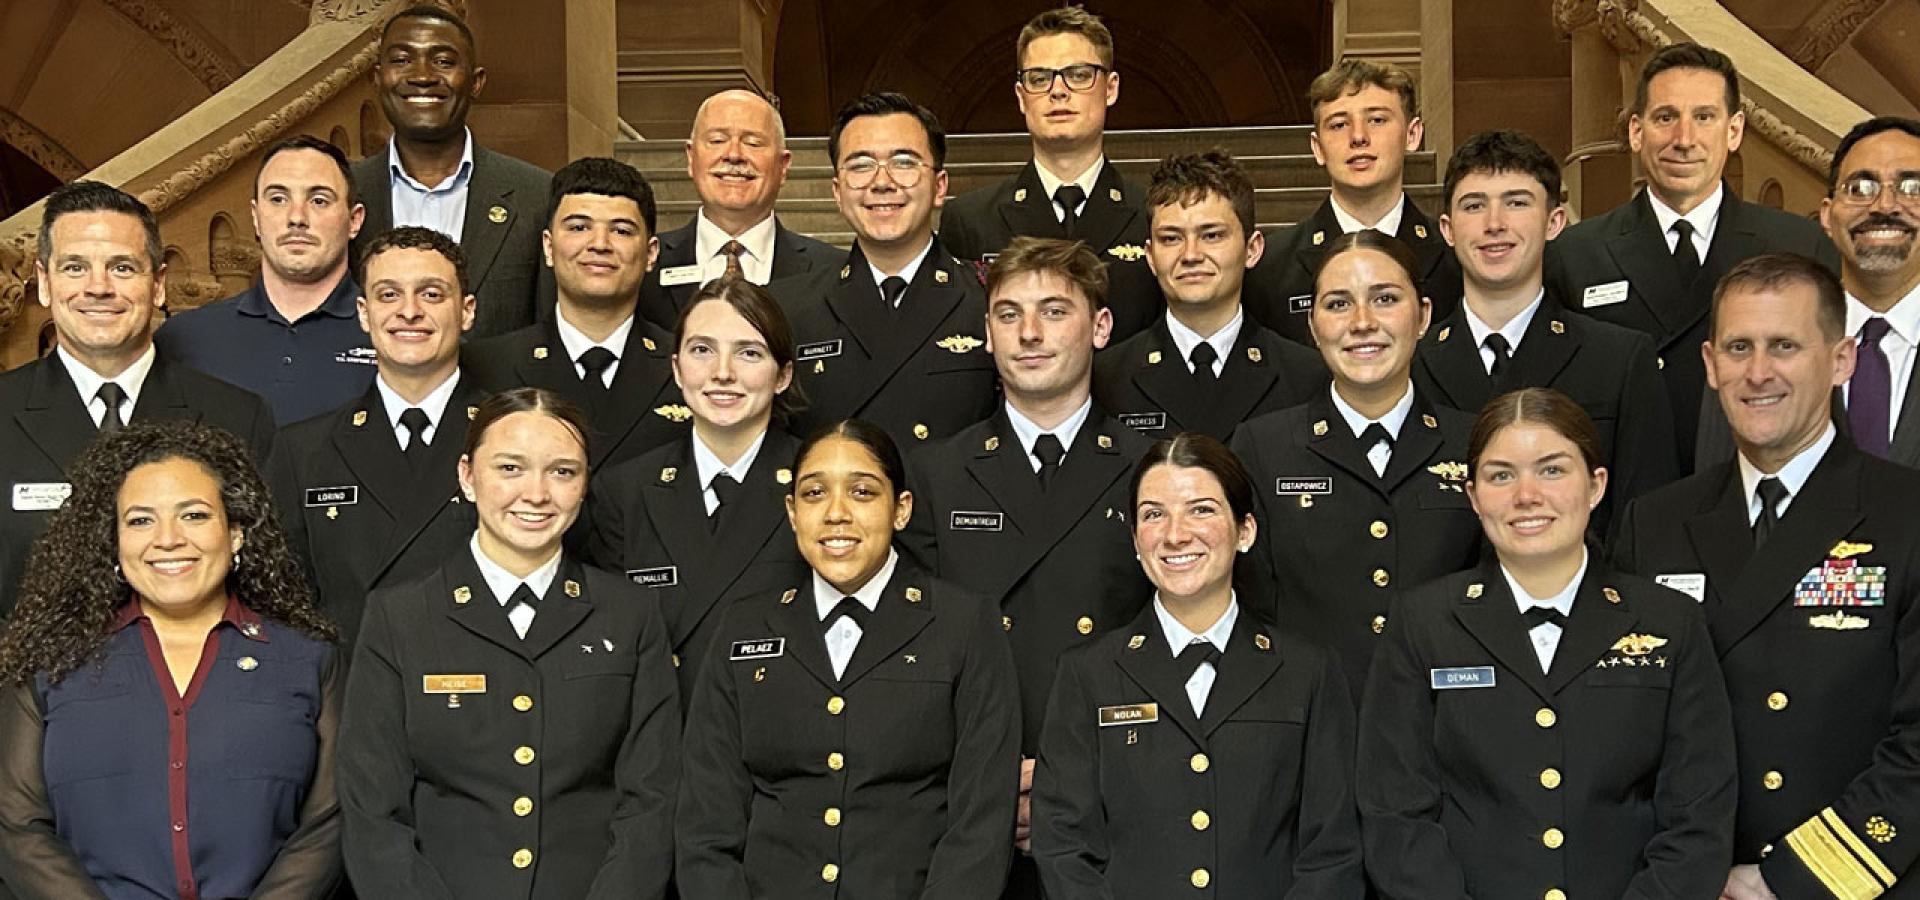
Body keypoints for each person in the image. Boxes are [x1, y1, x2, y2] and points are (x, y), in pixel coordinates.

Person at [1613, 252, 1920, 900]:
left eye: (1784, 346)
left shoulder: (1907, 515)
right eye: (1738, 347)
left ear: (1841, 360)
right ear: (1709, 365)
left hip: (1855, 881)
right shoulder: (1656, 522)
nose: (1758, 373)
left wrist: (1792, 878)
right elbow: (1623, 726)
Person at [1360, 387, 1736, 899]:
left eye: (1553, 469)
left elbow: (1698, 817)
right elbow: (1396, 814)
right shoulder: (1423, 623)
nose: (1526, 495)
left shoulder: (1671, 622)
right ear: (1472, 495)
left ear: (1596, 485)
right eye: (1500, 475)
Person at [338, 387, 679, 900]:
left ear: (585, 485)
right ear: (467, 477)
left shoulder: (630, 615)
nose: (537, 494)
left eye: (562, 472)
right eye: (510, 468)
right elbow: (373, 814)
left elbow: (651, 802)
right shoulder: (400, 617)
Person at [897, 236, 1153, 896]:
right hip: (969, 804)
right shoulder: (936, 474)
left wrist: (1071, 778)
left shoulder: (1151, 470)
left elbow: (1165, 643)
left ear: (1100, 327)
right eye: (1008, 314)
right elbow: (916, 651)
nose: (1030, 333)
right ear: (987, 333)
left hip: (1117, 793)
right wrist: (990, 777)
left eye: (1053, 311)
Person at [676, 419, 1020, 899]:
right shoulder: (743, 628)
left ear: (901, 510)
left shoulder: (964, 626)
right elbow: (705, 828)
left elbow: (980, 826)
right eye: (815, 494)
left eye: (862, 492)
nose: (836, 513)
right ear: (793, 512)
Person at [0, 422, 343, 899]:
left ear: (237, 534)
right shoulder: (49, 662)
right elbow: (15, 823)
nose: (168, 540)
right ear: (114, 544)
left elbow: (330, 821)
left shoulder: (309, 660)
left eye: (194, 515)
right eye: (141, 520)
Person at [1031, 432, 1364, 899]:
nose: (1175, 534)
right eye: (1153, 515)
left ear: (1245, 530)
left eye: (1201, 509)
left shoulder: (1307, 673)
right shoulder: (1089, 675)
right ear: (1134, 539)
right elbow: (1064, 847)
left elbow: (1333, 852)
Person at [1550, 42, 1838, 471]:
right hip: (1627, 501)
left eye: (1704, 117)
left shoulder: (1799, 247)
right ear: (1635, 131)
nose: (1684, 140)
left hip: (1759, 496)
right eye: (1666, 118)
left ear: (1734, 130)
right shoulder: (1575, 255)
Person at [0, 181, 273, 616]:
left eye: (122, 268)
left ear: (159, 284)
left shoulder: (236, 417)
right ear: (44, 283)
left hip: (195, 679)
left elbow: (263, 588)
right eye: (75, 268)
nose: (98, 288)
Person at [1230, 230, 1481, 695]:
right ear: (1312, 326)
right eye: (1338, 304)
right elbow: (1250, 609)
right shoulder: (1263, 448)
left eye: (1385, 299)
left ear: (1423, 316)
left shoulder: (1474, 445)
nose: (1362, 322)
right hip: (1310, 726)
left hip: (1446, 727)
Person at [1414, 129, 1677, 535]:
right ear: (1447, 230)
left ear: (1555, 221)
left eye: (1517, 203)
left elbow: (1646, 523)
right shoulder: (1412, 365)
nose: (1494, 224)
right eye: (1474, 206)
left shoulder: (1619, 360)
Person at [585, 275, 806, 701]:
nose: (722, 373)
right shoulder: (623, 491)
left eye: (749, 353)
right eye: (702, 350)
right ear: (676, 368)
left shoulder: (817, 486)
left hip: (775, 738)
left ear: (782, 375)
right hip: (661, 735)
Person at [266, 226, 484, 647]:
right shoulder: (302, 451)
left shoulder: (513, 437)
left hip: (480, 692)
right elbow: (283, 603)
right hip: (353, 696)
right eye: (389, 295)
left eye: (432, 294)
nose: (409, 311)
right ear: (364, 314)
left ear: (467, 311)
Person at [774, 92, 998, 454]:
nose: (882, 182)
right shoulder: (787, 309)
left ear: (940, 186)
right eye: (861, 165)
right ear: (837, 191)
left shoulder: (988, 299)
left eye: (904, 163)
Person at [939, 7, 1161, 342]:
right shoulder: (970, 220)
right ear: (1021, 97)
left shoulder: (1153, 214)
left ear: (1111, 89)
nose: (1058, 90)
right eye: (1040, 78)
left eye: (1079, 74)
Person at [465, 157, 690, 473]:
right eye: (579, 227)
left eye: (621, 230)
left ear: (651, 253)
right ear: (548, 246)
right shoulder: (486, 367)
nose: (599, 244)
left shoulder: (689, 367)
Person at [1092, 150, 1327, 442]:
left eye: (1212, 235)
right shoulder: (1105, 379)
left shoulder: (1306, 375)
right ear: (1150, 256)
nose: (1191, 255)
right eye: (1171, 239)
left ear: (1252, 249)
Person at [351, 4, 552, 337]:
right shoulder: (342, 196)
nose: (422, 76)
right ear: (377, 78)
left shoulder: (537, 195)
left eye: (443, 61)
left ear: (475, 83)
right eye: (401, 60)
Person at [155, 135, 375, 425]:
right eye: (278, 199)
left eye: (319, 200)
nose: (297, 217)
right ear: (256, 218)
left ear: (354, 220)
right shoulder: (184, 338)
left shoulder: (391, 335)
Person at [1245, 60, 1463, 345]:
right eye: (1338, 124)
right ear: (1317, 147)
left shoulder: (1456, 260)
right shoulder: (1269, 269)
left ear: (1412, 135)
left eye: (1377, 120)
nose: (1358, 137)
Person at [636, 89, 836, 330]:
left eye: (753, 142)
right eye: (717, 141)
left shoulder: (832, 272)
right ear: (691, 158)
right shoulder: (641, 266)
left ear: (783, 166)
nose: (734, 155)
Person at [1822, 116, 1920, 465]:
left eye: (1912, 188)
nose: (1884, 205)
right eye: (1860, 188)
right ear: (1827, 216)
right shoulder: (1769, 343)